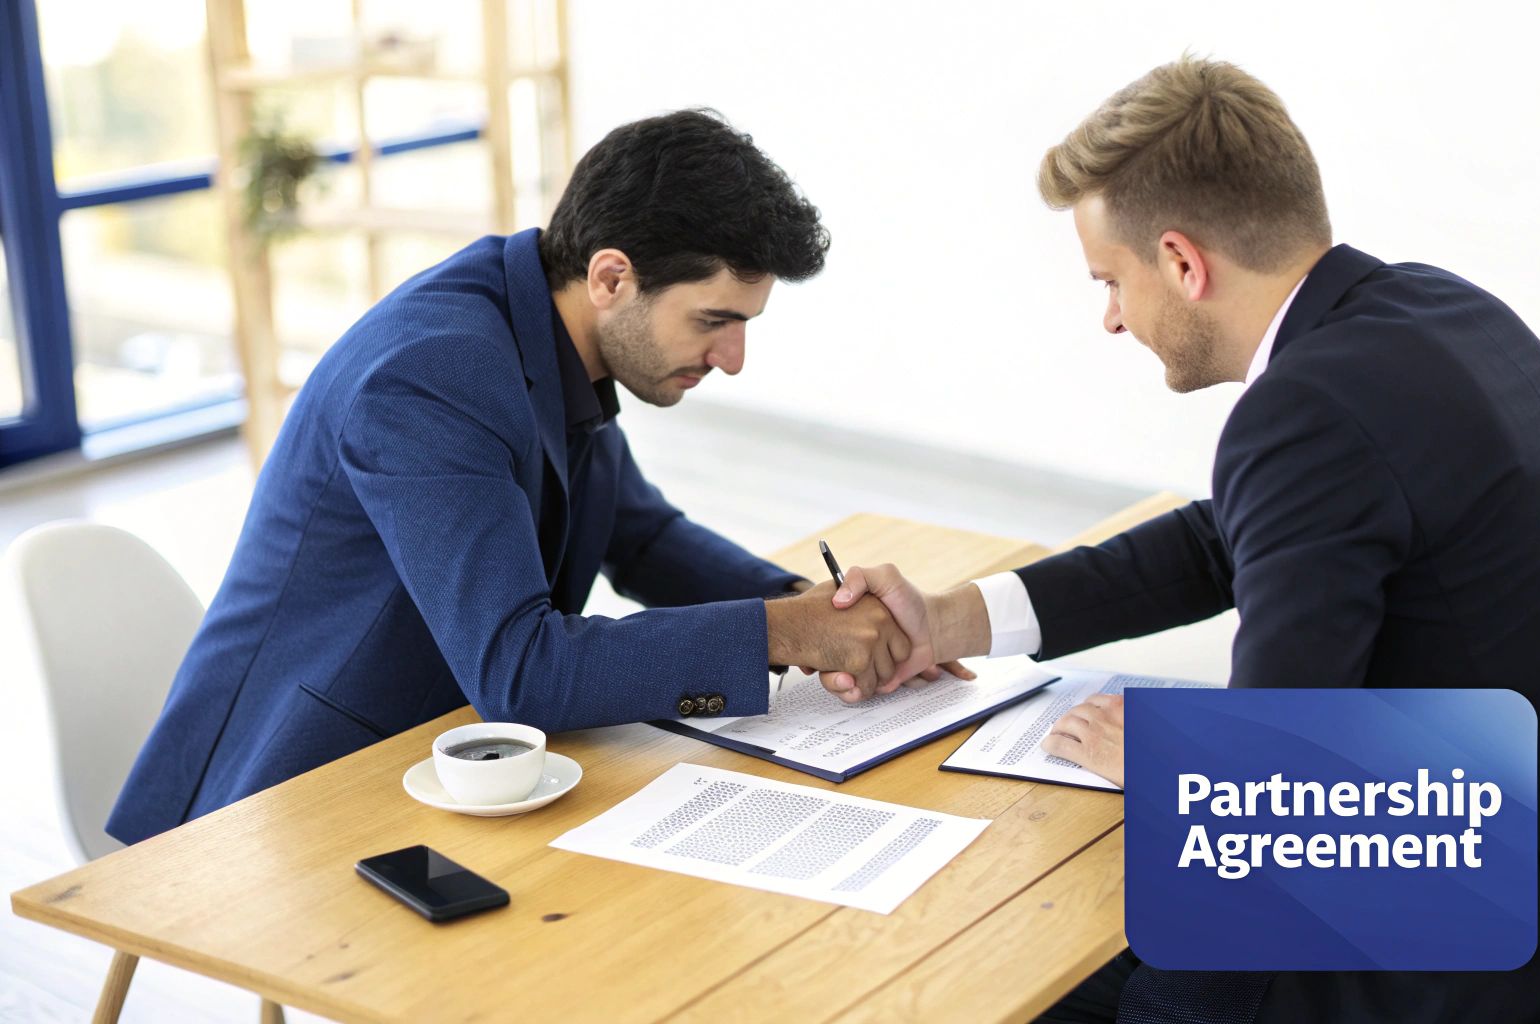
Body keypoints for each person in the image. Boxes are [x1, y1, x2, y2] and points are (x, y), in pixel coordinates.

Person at [837, 58, 1540, 1023]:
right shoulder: (1439, 310)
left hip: (1523, 943)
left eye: (1110, 282)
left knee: (1054, 979)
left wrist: (1163, 761)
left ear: (1183, 263)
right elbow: (1222, 544)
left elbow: (1270, 784)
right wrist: (952, 620)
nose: (1109, 319)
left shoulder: (1304, 412)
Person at [107, 109, 951, 847]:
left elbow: (641, 535)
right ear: (613, 277)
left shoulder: (543, 325)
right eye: (715, 321)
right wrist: (785, 631)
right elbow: (525, 671)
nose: (732, 359)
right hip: (290, 792)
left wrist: (819, 604)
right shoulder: (434, 373)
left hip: (451, 751)